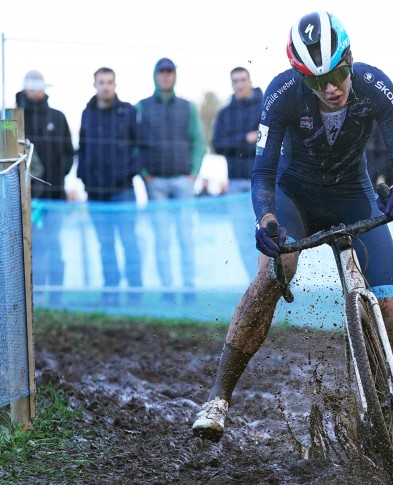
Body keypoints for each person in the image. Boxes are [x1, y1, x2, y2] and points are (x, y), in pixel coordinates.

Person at [192, 11, 393, 469]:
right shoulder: (281, 94)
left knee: (392, 313)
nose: (331, 88)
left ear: (350, 61)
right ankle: (219, 398)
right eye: (316, 80)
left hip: (353, 195)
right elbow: (262, 172)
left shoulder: (375, 86)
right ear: (301, 78)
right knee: (275, 272)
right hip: (294, 196)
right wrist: (266, 219)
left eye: (338, 74)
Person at [136, 58, 206, 303]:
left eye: (169, 72)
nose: (165, 77)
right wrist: (144, 174)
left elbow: (198, 142)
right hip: (155, 184)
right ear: (155, 76)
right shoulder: (142, 107)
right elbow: (134, 143)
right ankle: (167, 289)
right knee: (162, 238)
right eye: (161, 72)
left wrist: (194, 173)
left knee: (186, 237)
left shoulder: (187, 107)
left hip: (183, 182)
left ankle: (188, 288)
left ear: (175, 76)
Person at [77, 67, 143, 306]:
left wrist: (127, 172)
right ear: (94, 84)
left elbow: (142, 147)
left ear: (115, 84)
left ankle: (136, 291)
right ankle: (111, 290)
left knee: (129, 241)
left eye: (109, 82)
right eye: (101, 82)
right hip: (95, 192)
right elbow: (82, 149)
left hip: (123, 191)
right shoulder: (87, 113)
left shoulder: (128, 112)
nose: (105, 86)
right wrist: (84, 177)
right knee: (105, 244)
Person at [17, 70, 75, 305]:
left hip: (54, 196)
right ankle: (34, 293)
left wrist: (56, 179)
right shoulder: (15, 118)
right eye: (30, 86)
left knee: (54, 244)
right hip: (24, 198)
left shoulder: (58, 118)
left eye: (38, 85)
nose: (35, 90)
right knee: (30, 245)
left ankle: (56, 293)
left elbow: (69, 154)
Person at [211, 67, 264, 278]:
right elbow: (217, 144)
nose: (240, 84)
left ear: (250, 80)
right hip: (235, 183)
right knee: (242, 238)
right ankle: (256, 286)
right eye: (235, 81)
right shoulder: (225, 114)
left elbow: (269, 140)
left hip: (262, 182)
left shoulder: (264, 106)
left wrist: (248, 142)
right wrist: (246, 140)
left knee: (271, 234)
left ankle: (281, 286)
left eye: (243, 79)